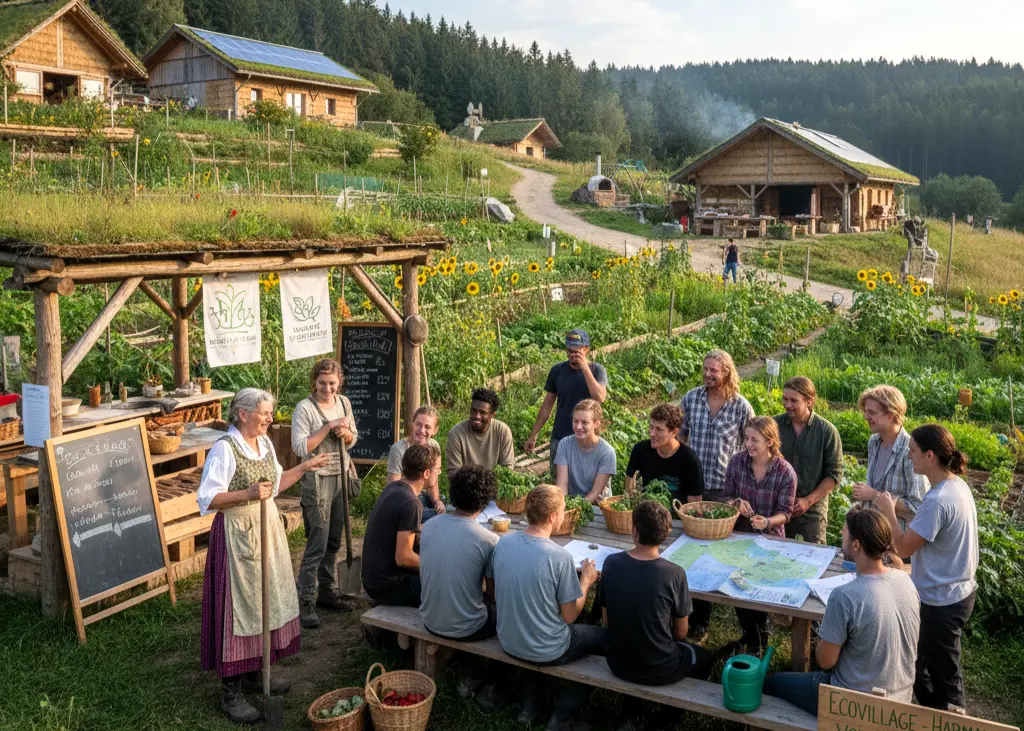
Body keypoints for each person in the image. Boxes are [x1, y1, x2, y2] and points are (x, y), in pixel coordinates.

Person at [198, 388, 330, 724]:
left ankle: (257, 671)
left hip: (266, 530)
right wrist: (248, 493)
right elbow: (208, 498)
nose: (270, 419)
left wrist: (304, 467)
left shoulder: (266, 444)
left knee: (264, 601)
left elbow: (274, 484)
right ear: (243, 414)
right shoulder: (224, 449)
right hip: (237, 536)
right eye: (265, 413)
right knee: (239, 608)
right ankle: (231, 691)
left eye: (271, 413)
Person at [763, 508, 921, 715]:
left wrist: (825, 640)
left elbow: (825, 662)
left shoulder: (844, 596)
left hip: (852, 703)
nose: (840, 535)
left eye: (844, 532)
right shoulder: (905, 581)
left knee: (772, 683)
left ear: (856, 545)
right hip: (900, 698)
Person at [876, 424, 979, 711]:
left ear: (930, 455)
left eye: (912, 451)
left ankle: (954, 718)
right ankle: (934, 714)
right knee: (922, 664)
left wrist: (889, 511)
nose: (909, 457)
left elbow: (903, 548)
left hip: (942, 599)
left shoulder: (936, 500)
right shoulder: (956, 485)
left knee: (944, 674)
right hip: (957, 590)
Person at [492, 484, 605, 731]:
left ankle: (529, 706)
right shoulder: (559, 556)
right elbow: (569, 616)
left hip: (509, 640)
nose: (564, 515)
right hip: (549, 648)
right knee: (604, 638)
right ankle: (563, 714)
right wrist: (586, 580)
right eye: (563, 510)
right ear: (553, 516)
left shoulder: (503, 543)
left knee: (535, 621)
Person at [600, 501, 714, 731]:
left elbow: (605, 620)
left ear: (634, 531)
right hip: (661, 668)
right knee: (706, 658)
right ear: (665, 535)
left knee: (635, 642)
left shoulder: (611, 564)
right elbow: (681, 632)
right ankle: (666, 719)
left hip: (617, 662)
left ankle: (630, 716)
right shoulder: (675, 573)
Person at [290, 358, 359, 629]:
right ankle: (306, 600)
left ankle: (326, 592)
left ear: (339, 381)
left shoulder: (343, 403)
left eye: (332, 383)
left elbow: (353, 439)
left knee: (333, 540)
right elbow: (300, 447)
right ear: (314, 382)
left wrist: (347, 434)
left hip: (340, 476)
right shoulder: (305, 409)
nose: (327, 389)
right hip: (316, 480)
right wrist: (329, 427)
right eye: (322, 383)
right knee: (317, 542)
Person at [721, 416, 797, 651]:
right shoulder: (736, 463)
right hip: (739, 535)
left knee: (758, 589)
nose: (748, 444)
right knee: (737, 586)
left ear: (770, 442)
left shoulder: (785, 472)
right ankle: (750, 632)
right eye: (746, 438)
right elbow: (725, 498)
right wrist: (736, 502)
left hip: (770, 540)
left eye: (755, 439)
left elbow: (786, 513)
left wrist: (766, 522)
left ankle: (759, 635)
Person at [419, 465, 500, 640]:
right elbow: (493, 595)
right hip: (469, 628)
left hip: (429, 620)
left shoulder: (429, 526)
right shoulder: (489, 540)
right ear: (485, 502)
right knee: (504, 610)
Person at [361, 443, 442, 607]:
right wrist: (435, 565)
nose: (439, 472)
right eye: (437, 469)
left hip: (372, 578)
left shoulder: (394, 488)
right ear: (426, 473)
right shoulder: (411, 503)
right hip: (385, 586)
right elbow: (403, 558)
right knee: (443, 586)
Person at [524, 329, 609, 476]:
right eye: (569, 351)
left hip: (586, 437)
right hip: (560, 436)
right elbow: (546, 406)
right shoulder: (557, 371)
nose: (572, 355)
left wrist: (584, 368)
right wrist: (533, 435)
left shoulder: (597, 370)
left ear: (586, 349)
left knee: (585, 481)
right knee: (557, 481)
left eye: (577, 351)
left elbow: (599, 397)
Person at [680, 349, 755, 503]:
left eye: (713, 370)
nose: (707, 374)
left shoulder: (741, 406)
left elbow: (752, 445)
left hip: (725, 489)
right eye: (705, 369)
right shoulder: (691, 399)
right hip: (692, 484)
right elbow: (679, 435)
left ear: (726, 373)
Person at [774, 376, 843, 544]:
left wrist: (808, 500)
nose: (787, 405)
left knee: (814, 555)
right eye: (785, 399)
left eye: (793, 401)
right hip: (779, 505)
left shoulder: (826, 431)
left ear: (809, 401)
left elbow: (834, 475)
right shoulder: (775, 425)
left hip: (812, 509)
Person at [854, 385, 929, 530]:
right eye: (865, 411)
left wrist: (873, 495)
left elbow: (918, 508)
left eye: (872, 412)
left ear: (890, 414)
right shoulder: (874, 442)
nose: (865, 417)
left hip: (898, 539)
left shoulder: (910, 451)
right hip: (874, 533)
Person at [625, 403, 704, 503]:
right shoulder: (641, 449)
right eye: (651, 427)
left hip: (677, 517)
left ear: (674, 432)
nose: (652, 434)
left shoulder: (689, 459)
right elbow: (629, 484)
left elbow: (694, 505)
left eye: (659, 429)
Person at [387, 405, 444, 521]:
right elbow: (393, 488)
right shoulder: (399, 449)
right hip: (405, 498)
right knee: (440, 519)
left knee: (445, 508)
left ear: (435, 430)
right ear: (412, 423)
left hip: (425, 494)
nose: (421, 430)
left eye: (427, 427)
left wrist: (437, 501)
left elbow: (433, 481)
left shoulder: (434, 446)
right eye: (418, 424)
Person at [554, 399, 616, 504]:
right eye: (575, 421)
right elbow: (562, 485)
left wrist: (576, 508)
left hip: (598, 507)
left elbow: (595, 493)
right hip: (571, 503)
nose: (578, 427)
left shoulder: (607, 452)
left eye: (584, 422)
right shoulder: (564, 444)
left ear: (596, 423)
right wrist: (563, 506)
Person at [446, 388, 515, 480]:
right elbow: (454, 473)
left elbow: (507, 469)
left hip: (494, 486)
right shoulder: (456, 434)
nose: (476, 416)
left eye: (483, 413)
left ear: (492, 415)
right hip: (465, 487)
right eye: (473, 410)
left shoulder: (502, 431)